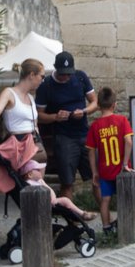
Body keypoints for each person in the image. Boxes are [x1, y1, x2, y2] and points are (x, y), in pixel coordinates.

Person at [0, 59, 45, 194]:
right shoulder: (9, 93)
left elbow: (34, 123)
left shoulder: (31, 97)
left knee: (39, 187)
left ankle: (53, 208)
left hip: (35, 145)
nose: (43, 80)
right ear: (32, 75)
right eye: (42, 76)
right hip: (19, 144)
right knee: (32, 186)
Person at [36, 51, 97, 201]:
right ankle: (71, 216)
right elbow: (38, 115)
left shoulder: (81, 77)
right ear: (56, 68)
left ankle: (105, 216)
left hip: (84, 134)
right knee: (67, 182)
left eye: (69, 73)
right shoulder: (46, 86)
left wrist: (84, 111)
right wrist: (55, 117)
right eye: (63, 74)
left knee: (97, 176)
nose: (66, 77)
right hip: (63, 138)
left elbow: (95, 102)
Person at [86, 87, 135, 235]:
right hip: (121, 170)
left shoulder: (95, 126)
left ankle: (107, 228)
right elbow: (129, 141)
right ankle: (126, 227)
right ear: (114, 104)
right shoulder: (121, 120)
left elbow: (91, 151)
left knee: (105, 200)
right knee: (125, 198)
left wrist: (94, 172)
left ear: (98, 105)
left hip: (104, 170)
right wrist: (125, 163)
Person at [19, 159, 97, 222]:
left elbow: (48, 189)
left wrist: (43, 183)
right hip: (42, 203)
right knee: (65, 200)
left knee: (65, 201)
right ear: (30, 174)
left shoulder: (39, 181)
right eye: (37, 170)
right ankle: (82, 214)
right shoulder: (29, 184)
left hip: (50, 200)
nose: (40, 171)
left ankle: (80, 214)